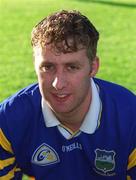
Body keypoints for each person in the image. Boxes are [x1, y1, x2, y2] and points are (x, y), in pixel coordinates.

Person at [0, 10, 135, 180]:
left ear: (93, 67)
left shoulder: (131, 118)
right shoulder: (8, 121)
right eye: (47, 67)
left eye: (72, 67)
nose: (58, 83)